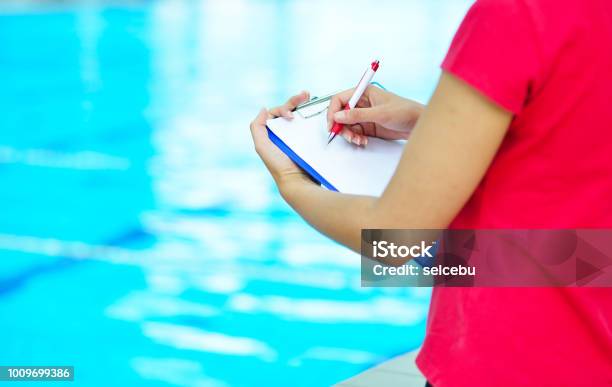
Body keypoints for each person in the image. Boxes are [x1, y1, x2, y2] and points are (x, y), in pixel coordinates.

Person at [249, 0, 612, 385]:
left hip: (504, 362)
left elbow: (395, 239)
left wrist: (291, 181)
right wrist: (430, 122)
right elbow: (571, 161)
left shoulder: (517, 14)